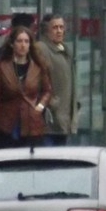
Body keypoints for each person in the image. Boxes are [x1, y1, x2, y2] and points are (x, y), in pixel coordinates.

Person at [0, 26, 52, 150]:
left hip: (31, 123)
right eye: (19, 41)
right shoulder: (1, 67)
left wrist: (40, 106)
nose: (23, 45)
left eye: (26, 41)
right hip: (6, 125)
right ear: (12, 44)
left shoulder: (38, 66)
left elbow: (47, 90)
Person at [37, 13, 77, 146]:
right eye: (55, 28)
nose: (59, 31)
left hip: (64, 118)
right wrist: (51, 103)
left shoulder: (65, 49)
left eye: (61, 27)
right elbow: (38, 80)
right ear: (47, 30)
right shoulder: (42, 48)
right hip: (50, 119)